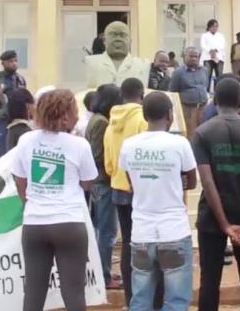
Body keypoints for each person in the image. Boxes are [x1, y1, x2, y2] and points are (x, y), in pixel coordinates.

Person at [10, 89, 96, 311]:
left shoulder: (26, 140)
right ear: (67, 114)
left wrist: (31, 204)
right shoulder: (79, 145)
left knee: (34, 292)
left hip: (34, 224)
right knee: (73, 293)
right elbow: (88, 183)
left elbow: (20, 181)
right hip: (69, 223)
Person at [120, 92, 198, 311]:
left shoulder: (129, 145)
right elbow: (191, 182)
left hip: (141, 234)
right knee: (176, 301)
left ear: (144, 115)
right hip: (174, 232)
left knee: (141, 300)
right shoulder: (179, 143)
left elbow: (131, 183)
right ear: (170, 114)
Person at [193, 78, 240, 311]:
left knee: (210, 281)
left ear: (215, 100)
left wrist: (223, 225)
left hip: (212, 216)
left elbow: (207, 181)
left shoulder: (203, 132)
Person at [104, 78, 155, 308]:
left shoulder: (110, 122)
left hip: (118, 186)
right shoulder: (143, 119)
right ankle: (149, 299)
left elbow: (108, 164)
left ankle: (130, 300)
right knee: (147, 245)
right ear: (141, 94)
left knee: (128, 245)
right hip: (141, 189)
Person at [86, 84, 124, 291]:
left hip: (99, 182)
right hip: (104, 181)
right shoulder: (102, 123)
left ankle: (104, 271)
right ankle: (104, 275)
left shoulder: (96, 119)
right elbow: (97, 154)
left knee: (103, 230)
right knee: (107, 232)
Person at [169, 47, 208, 140]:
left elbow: (205, 86)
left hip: (203, 107)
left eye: (196, 56)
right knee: (190, 135)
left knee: (203, 133)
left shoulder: (204, 70)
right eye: (191, 56)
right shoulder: (178, 72)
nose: (194, 58)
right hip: (187, 109)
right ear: (184, 57)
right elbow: (173, 91)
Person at [200, 19, 226, 91]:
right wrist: (210, 51)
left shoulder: (220, 35)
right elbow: (203, 45)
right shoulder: (204, 35)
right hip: (208, 57)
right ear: (209, 27)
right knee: (207, 75)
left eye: (216, 26)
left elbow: (222, 45)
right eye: (213, 26)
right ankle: (206, 93)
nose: (215, 28)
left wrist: (215, 50)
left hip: (219, 58)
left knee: (219, 76)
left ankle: (218, 93)